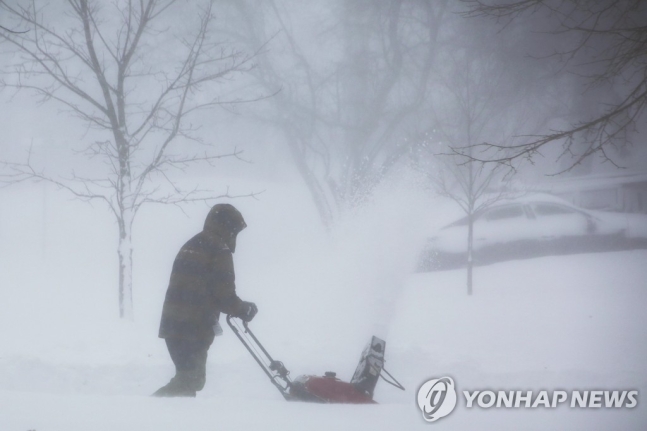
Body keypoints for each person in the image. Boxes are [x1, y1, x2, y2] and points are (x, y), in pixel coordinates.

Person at [153, 203, 258, 397]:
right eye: (235, 231)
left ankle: (171, 419)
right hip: (193, 327)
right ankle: (148, 412)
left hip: (173, 324)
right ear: (229, 228)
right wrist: (243, 309)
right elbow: (224, 293)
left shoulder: (193, 243)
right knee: (189, 381)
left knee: (187, 380)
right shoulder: (218, 249)